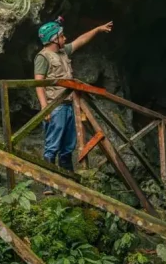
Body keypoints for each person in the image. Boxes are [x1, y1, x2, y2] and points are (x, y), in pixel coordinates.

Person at [34, 16, 113, 172]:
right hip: (55, 106)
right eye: (62, 36)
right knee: (52, 145)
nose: (65, 38)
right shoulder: (42, 57)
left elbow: (81, 41)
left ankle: (68, 177)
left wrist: (97, 29)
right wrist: (44, 107)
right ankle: (48, 180)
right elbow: (38, 83)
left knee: (68, 146)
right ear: (54, 39)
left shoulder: (63, 52)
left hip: (70, 105)